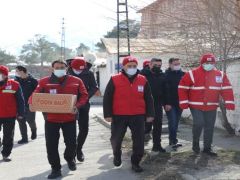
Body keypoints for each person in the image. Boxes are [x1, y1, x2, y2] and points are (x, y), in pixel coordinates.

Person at [30, 60, 88, 179]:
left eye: (62, 67)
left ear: (67, 68)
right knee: (51, 146)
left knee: (71, 144)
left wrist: (77, 106)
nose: (60, 69)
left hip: (69, 119)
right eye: (57, 67)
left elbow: (84, 95)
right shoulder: (43, 82)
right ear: (52, 69)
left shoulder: (77, 81)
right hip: (51, 119)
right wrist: (31, 103)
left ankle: (70, 158)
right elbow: (34, 95)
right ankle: (55, 169)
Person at [103, 56, 154, 173]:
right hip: (119, 115)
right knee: (116, 139)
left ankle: (135, 162)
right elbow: (107, 98)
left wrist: (150, 114)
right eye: (129, 66)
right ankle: (117, 154)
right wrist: (108, 114)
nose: (132, 68)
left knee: (139, 141)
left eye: (134, 66)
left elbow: (149, 98)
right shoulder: (114, 79)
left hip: (138, 115)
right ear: (124, 67)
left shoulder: (143, 80)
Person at [178, 53, 235, 156]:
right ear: (202, 63)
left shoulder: (220, 74)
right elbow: (183, 88)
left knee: (209, 126)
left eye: (211, 63)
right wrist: (184, 102)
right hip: (196, 105)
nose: (209, 64)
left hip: (211, 106)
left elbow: (226, 89)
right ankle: (195, 144)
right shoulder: (192, 74)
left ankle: (207, 148)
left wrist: (229, 102)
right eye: (207, 62)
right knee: (199, 123)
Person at [68, 57, 98, 162]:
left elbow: (94, 87)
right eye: (77, 69)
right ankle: (71, 152)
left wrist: (85, 97)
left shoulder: (89, 74)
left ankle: (79, 149)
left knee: (84, 128)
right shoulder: (66, 73)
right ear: (72, 67)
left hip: (84, 105)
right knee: (70, 130)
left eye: (82, 69)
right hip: (69, 105)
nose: (79, 72)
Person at [141, 58, 168, 153]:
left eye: (159, 66)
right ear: (150, 64)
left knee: (158, 125)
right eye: (155, 65)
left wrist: (166, 103)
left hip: (157, 104)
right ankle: (139, 146)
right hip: (144, 104)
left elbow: (165, 91)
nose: (157, 67)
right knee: (143, 125)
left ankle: (157, 145)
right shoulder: (142, 75)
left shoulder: (162, 76)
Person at [0, 65, 25, 162]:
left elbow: (20, 100)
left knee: (8, 136)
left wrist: (21, 113)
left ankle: (6, 154)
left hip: (9, 115)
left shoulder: (14, 84)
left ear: (5, 75)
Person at [164, 58, 185, 149]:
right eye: (175, 64)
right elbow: (164, 91)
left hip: (180, 103)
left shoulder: (183, 75)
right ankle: (172, 141)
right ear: (170, 64)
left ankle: (173, 140)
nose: (177, 65)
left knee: (176, 122)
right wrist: (166, 103)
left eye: (178, 64)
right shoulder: (165, 75)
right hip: (170, 104)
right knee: (172, 121)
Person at [15, 66, 38, 144]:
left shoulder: (33, 81)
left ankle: (34, 130)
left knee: (30, 120)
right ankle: (24, 138)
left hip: (30, 105)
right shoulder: (16, 81)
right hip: (19, 105)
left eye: (17, 71)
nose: (16, 73)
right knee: (21, 122)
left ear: (22, 71)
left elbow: (38, 92)